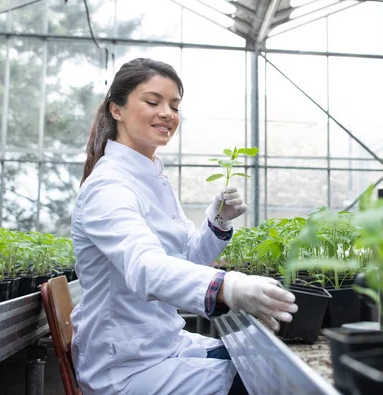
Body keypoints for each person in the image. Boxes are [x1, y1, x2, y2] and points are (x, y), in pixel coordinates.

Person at [70, 58, 298, 395]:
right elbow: (146, 267)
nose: (167, 113)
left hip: (158, 345)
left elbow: (185, 256)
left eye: (174, 106)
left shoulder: (152, 176)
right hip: (126, 366)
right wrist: (229, 287)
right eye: (153, 102)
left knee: (263, 359)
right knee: (267, 381)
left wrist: (216, 221)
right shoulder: (108, 187)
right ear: (116, 109)